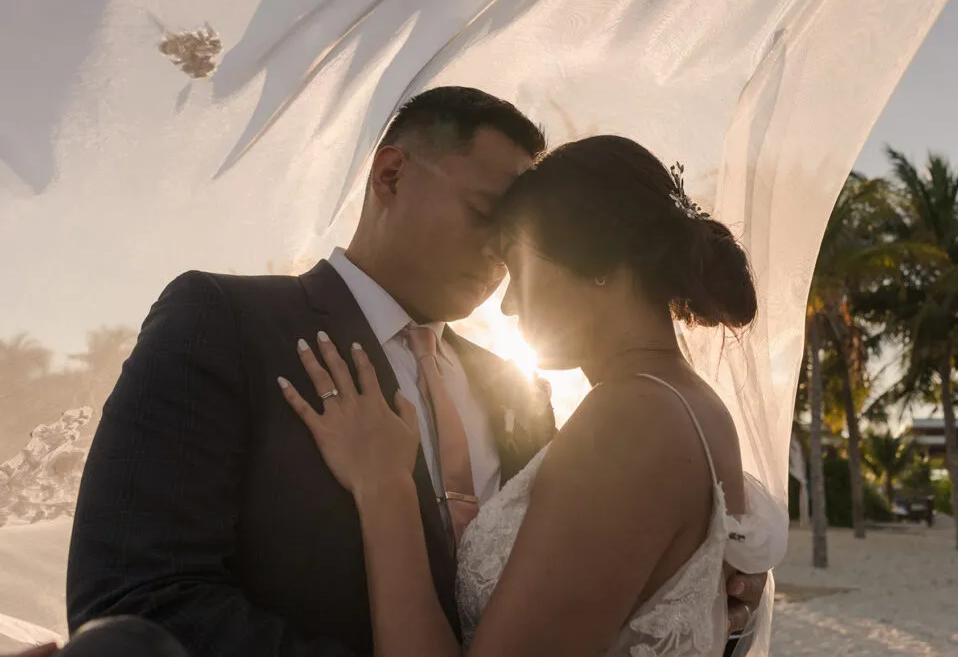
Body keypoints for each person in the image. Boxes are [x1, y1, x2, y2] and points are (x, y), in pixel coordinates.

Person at [66, 87, 766, 656]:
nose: (502, 260)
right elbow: (135, 595)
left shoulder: (520, 389)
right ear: (392, 174)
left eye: (524, 239)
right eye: (487, 216)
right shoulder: (223, 321)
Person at [279, 135, 787, 656]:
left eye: (520, 271)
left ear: (599, 264)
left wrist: (385, 488)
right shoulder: (689, 403)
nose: (508, 306)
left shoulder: (631, 418)